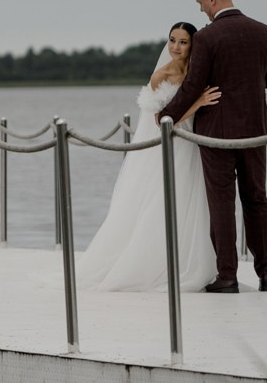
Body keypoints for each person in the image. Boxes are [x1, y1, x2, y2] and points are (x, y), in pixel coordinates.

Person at [158, 0, 267, 293]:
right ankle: (266, 274)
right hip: (256, 130)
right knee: (257, 199)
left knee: (222, 203)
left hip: (216, 133)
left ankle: (228, 276)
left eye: (200, 2)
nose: (201, 10)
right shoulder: (263, 30)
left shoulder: (207, 37)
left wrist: (166, 115)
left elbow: (193, 86)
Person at [82, 23, 221, 292]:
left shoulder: (199, 71)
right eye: (172, 40)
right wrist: (198, 103)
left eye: (183, 42)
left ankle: (195, 261)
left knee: (196, 202)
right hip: (172, 145)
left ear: (193, 45)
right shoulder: (161, 76)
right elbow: (162, 122)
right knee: (169, 199)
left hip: (197, 144)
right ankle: (161, 264)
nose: (176, 47)